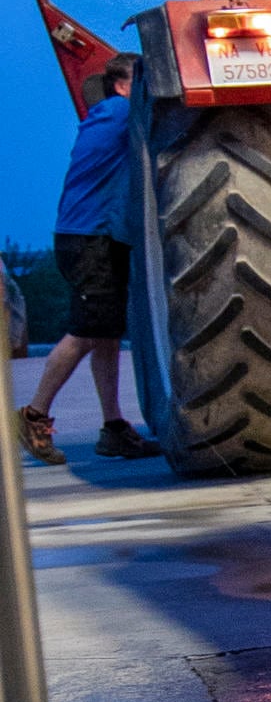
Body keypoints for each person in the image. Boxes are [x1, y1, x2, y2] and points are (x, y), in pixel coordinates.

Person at [18, 58, 160, 463]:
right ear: (120, 86)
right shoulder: (120, 113)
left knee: (106, 334)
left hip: (97, 235)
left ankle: (114, 427)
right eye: (142, 81)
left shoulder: (108, 114)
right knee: (85, 331)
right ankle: (34, 414)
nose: (149, 89)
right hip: (88, 238)